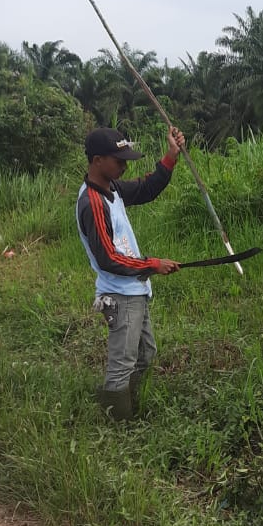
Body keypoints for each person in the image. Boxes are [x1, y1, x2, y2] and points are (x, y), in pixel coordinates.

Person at [76, 125, 185, 420]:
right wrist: (152, 264)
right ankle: (116, 430)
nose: (125, 166)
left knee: (146, 354)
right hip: (120, 294)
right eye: (119, 160)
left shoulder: (113, 189)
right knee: (122, 363)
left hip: (134, 288)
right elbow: (109, 258)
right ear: (98, 160)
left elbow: (147, 188)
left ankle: (130, 406)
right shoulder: (93, 203)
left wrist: (171, 157)